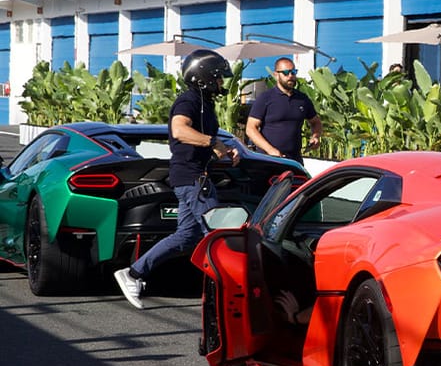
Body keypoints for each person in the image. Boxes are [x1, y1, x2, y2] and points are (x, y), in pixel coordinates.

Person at [114, 50, 241, 309]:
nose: (221, 83)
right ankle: (232, 292)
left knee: (186, 237)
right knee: (217, 232)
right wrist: (212, 142)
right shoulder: (189, 100)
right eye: (218, 78)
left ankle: (134, 273)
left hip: (194, 176)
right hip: (192, 179)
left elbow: (202, 141)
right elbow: (179, 130)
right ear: (204, 78)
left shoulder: (205, 103)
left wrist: (225, 150)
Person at [246, 57, 322, 163]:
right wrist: (270, 150)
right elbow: (251, 128)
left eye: (293, 72)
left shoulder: (302, 99)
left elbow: (316, 122)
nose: (290, 76)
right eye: (286, 73)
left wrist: (316, 136)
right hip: (268, 159)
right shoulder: (266, 98)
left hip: (294, 160)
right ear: (276, 75)